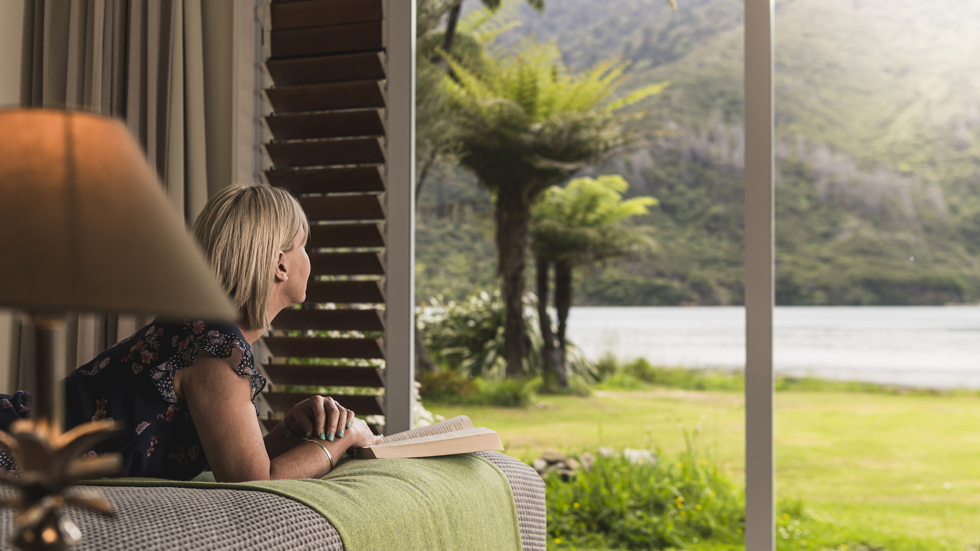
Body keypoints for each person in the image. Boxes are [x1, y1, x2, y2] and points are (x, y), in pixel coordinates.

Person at [9, 184, 382, 481]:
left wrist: (291, 430)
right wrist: (345, 436)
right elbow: (253, 479)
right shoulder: (217, 350)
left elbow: (233, 456)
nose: (308, 259)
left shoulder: (198, 332)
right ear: (280, 264)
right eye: (303, 245)